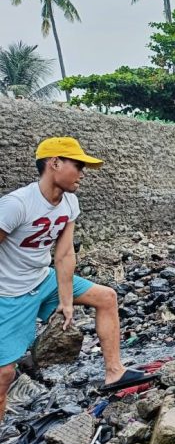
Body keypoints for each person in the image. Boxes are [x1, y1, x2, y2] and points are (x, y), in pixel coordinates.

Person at [0, 138, 156, 418]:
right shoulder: (16, 204)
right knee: (4, 375)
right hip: (9, 292)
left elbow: (64, 254)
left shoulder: (69, 201)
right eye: (78, 165)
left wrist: (66, 298)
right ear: (54, 163)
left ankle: (114, 372)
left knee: (106, 297)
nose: (83, 173)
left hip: (42, 278)